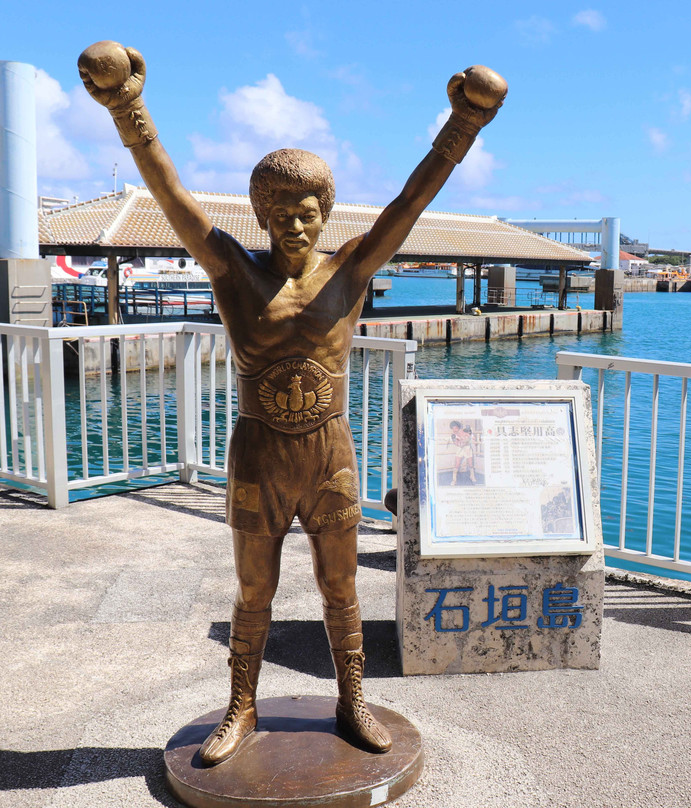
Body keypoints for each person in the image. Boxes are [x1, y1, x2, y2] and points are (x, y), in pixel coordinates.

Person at [78, 42, 505, 765]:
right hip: (259, 452)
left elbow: (412, 201)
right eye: (278, 211)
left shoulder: (352, 269)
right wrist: (129, 109)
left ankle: (353, 700)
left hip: (330, 452)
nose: (294, 224)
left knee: (340, 584)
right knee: (254, 588)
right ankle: (240, 707)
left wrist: (463, 126)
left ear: (325, 212)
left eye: (307, 211)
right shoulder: (232, 271)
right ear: (259, 214)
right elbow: (172, 196)